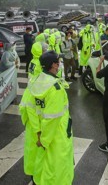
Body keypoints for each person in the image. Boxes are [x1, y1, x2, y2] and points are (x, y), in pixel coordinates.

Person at [28, 51, 74, 184]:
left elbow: (30, 109)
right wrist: (44, 140)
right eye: (58, 62)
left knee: (43, 163)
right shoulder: (56, 88)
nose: (59, 64)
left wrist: (38, 132)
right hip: (57, 135)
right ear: (53, 65)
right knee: (57, 168)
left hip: (40, 132)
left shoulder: (36, 81)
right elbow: (53, 118)